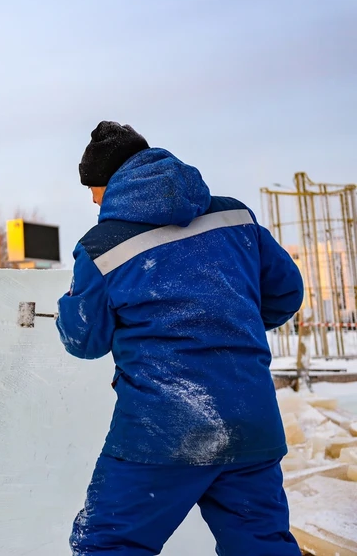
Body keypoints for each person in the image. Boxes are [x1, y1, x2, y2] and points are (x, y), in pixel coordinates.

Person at [56, 121, 304, 555]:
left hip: (162, 430)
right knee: (261, 545)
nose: (94, 200)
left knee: (109, 544)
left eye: (93, 188)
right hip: (251, 423)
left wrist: (68, 307)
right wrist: (225, 323)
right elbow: (286, 293)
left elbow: (84, 340)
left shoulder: (102, 246)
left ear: (109, 183)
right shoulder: (235, 217)